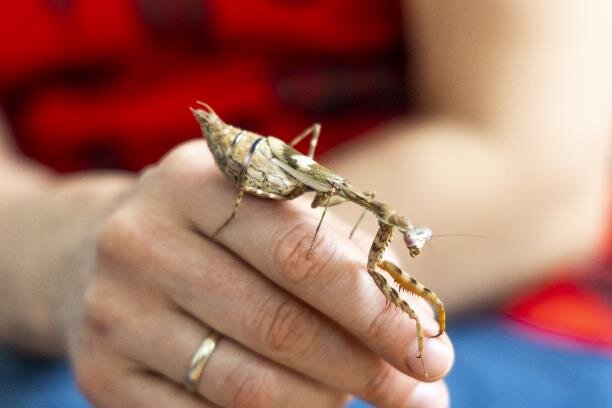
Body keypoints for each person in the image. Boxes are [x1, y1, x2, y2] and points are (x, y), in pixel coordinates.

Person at [0, 1, 610, 407]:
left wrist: (210, 277)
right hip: (38, 293)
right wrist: (79, 254)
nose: (406, 242)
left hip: (516, 323)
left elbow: (538, 167)